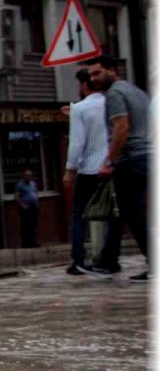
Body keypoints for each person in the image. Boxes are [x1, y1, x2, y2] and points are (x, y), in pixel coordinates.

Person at [85, 55, 151, 281]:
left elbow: (121, 127)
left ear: (112, 70)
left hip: (131, 160)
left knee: (134, 215)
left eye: (97, 73)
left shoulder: (114, 94)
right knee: (124, 212)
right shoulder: (138, 93)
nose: (93, 79)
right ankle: (108, 261)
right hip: (146, 157)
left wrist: (109, 161)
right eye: (91, 75)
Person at [63, 68, 110, 275]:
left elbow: (77, 143)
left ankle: (79, 260)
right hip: (110, 168)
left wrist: (69, 170)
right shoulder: (111, 103)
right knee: (110, 214)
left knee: (78, 215)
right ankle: (107, 258)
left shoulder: (80, 109)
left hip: (89, 170)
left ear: (83, 85)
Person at [15, 170, 40, 248]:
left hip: (34, 207)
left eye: (29, 176)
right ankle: (25, 244)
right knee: (26, 226)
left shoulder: (33, 184)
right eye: (26, 176)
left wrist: (37, 204)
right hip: (26, 208)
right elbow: (16, 196)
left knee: (33, 225)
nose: (28, 177)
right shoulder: (20, 185)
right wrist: (22, 205)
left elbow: (35, 193)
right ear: (23, 176)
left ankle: (33, 242)